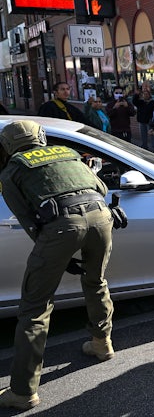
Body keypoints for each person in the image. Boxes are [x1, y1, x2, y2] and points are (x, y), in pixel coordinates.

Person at [0, 120, 117, 410]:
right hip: (101, 218)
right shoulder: (66, 152)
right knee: (95, 280)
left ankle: (23, 391)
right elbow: (100, 187)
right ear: (40, 137)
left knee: (35, 306)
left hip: (61, 227)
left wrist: (53, 252)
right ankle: (102, 343)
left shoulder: (12, 170)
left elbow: (27, 219)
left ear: (8, 145)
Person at [133, 83, 154, 152]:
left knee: (152, 135)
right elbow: (134, 101)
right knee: (143, 135)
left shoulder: (153, 102)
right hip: (142, 121)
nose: (145, 95)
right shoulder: (140, 102)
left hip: (150, 121)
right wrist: (136, 94)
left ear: (150, 95)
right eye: (144, 94)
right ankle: (144, 146)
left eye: (147, 94)